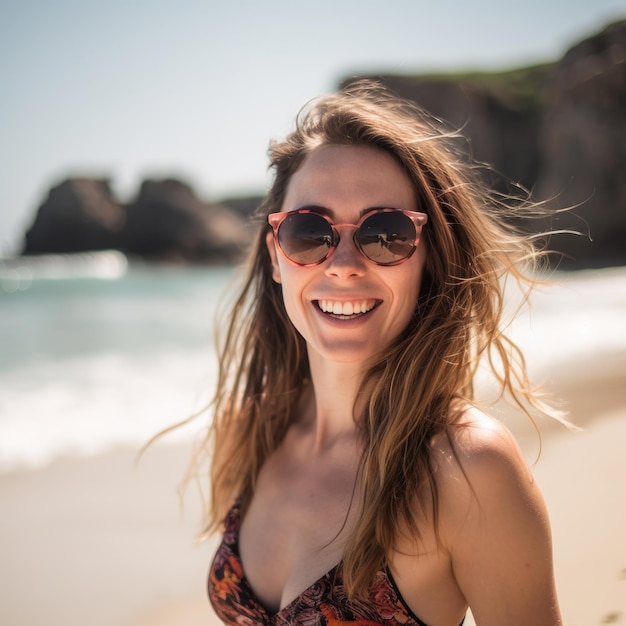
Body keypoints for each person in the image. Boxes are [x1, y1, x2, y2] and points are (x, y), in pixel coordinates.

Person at [203, 82, 563, 626]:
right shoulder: (250, 430)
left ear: (429, 259)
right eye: (307, 231)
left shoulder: (468, 469)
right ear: (276, 257)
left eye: (387, 233)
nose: (344, 263)